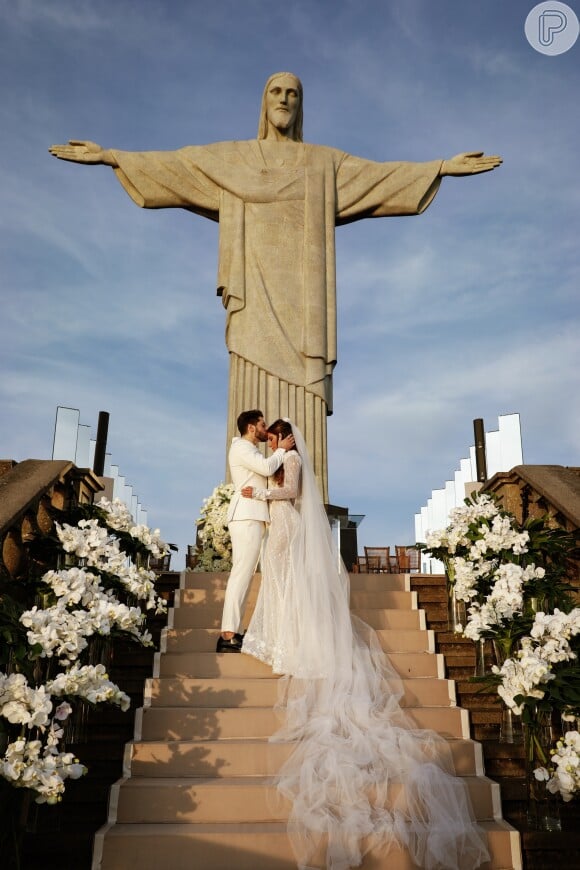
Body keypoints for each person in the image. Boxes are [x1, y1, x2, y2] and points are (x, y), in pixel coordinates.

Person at [48, 72, 502, 502]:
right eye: (276, 92)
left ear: (300, 106)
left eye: (293, 94)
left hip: (304, 303)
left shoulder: (323, 163)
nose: (284, 99)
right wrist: (112, 156)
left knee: (303, 395)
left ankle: (307, 515)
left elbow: (379, 177)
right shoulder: (235, 159)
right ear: (263, 103)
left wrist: (440, 167)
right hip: (252, 296)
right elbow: (178, 166)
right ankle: (239, 511)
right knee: (248, 376)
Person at [240, 418, 490, 870]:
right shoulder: (276, 459)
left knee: (286, 586)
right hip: (275, 528)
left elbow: (292, 493)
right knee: (278, 586)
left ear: (281, 437)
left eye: (274, 437)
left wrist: (262, 493)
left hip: (285, 524)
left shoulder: (290, 459)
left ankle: (294, 641)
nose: (272, 443)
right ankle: (282, 639)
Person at [216, 409, 294, 653]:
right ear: (251, 428)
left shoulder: (249, 449)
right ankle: (228, 634)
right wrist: (282, 448)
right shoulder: (241, 448)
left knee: (246, 574)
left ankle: (233, 630)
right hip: (246, 515)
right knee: (241, 573)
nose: (264, 429)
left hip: (255, 516)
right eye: (261, 425)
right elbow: (267, 467)